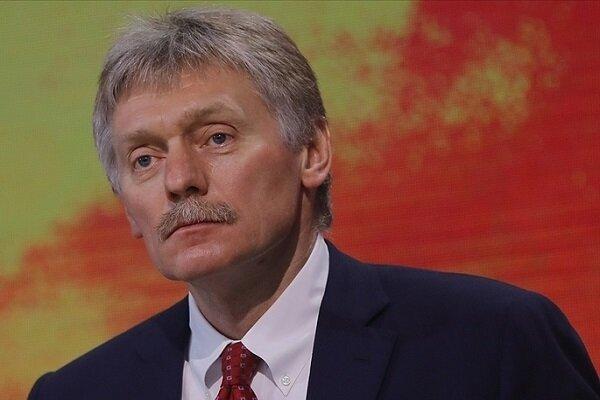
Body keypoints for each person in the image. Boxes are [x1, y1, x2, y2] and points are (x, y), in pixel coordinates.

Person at [28, 7, 599, 400]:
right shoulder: (76, 393)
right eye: (144, 159)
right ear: (128, 209)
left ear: (312, 152)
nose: (179, 180)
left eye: (217, 138)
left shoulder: (491, 344)